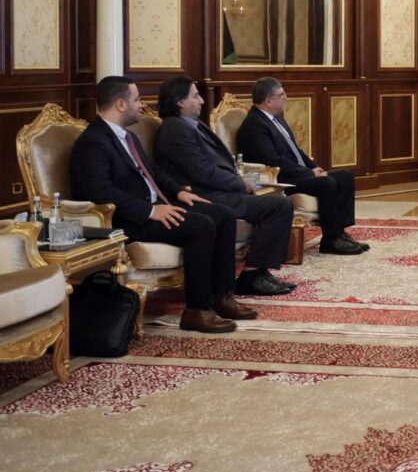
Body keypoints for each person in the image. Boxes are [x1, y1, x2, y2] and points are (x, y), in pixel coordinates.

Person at [69, 76, 256, 333]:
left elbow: (153, 172)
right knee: (201, 226)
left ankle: (221, 296)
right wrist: (150, 211)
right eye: (136, 100)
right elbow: (99, 192)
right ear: (121, 104)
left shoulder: (128, 137)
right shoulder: (93, 142)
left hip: (157, 205)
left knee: (223, 214)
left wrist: (179, 192)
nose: (141, 105)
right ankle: (197, 310)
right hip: (129, 218)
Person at [154, 75, 296, 296]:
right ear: (179, 101)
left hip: (219, 189)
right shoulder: (175, 129)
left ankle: (259, 272)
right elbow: (202, 172)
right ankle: (251, 276)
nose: (202, 101)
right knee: (280, 206)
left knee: (277, 202)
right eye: (195, 96)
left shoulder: (192, 124)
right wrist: (239, 184)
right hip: (205, 195)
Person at [237, 77, 367, 256]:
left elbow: (294, 150)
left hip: (296, 173)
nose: (286, 97)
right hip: (279, 180)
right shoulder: (254, 125)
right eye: (281, 94)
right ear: (268, 101)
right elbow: (274, 160)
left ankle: (339, 233)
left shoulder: (276, 118)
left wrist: (315, 167)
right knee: (327, 183)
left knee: (345, 176)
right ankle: (330, 240)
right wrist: (309, 173)